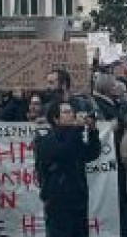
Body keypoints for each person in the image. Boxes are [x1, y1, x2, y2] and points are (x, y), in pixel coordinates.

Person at [34, 101, 101, 237]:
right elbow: (64, 153)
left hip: (78, 198)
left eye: (72, 111)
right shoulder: (45, 139)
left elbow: (91, 153)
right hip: (58, 200)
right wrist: (77, 129)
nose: (72, 114)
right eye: (66, 112)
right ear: (55, 119)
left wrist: (93, 130)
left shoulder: (75, 136)